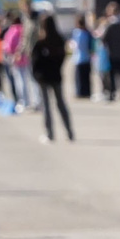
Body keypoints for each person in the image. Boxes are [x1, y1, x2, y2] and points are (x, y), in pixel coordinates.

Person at [32, 12, 75, 142]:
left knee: (47, 105)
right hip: (56, 76)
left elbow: (35, 61)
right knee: (61, 103)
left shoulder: (40, 42)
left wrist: (36, 74)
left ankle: (50, 133)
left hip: (44, 77)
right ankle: (69, 132)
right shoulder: (59, 40)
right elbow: (63, 57)